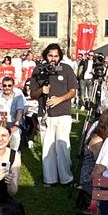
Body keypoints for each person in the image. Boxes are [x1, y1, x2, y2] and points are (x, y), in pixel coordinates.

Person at [32, 44, 78, 186]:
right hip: (45, 114)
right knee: (47, 148)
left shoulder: (66, 69)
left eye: (56, 56)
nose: (53, 58)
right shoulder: (38, 70)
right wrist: (41, 90)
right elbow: (32, 94)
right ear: (46, 55)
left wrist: (59, 99)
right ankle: (50, 179)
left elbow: (73, 91)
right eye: (50, 55)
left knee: (62, 147)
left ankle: (66, 179)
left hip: (62, 113)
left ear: (60, 57)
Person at [0, 76, 26, 150]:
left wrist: (16, 125)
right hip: (0, 122)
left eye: (9, 85)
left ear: (13, 86)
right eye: (5, 85)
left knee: (16, 136)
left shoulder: (18, 96)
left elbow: (20, 111)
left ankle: (13, 154)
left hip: (14, 122)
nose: (7, 87)